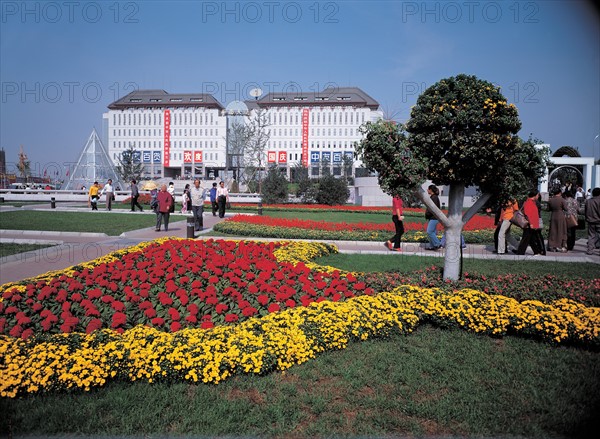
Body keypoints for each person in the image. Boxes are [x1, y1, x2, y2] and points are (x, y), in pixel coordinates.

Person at [513, 190, 544, 256]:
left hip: (531, 224)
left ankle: (534, 252)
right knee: (526, 239)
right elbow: (528, 215)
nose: (538, 196)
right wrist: (531, 223)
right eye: (538, 195)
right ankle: (522, 252)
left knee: (530, 239)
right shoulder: (529, 202)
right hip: (529, 224)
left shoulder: (531, 202)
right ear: (535, 195)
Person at [547, 187, 568, 252]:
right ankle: (560, 245)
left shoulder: (550, 200)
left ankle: (551, 245)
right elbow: (566, 208)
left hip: (553, 215)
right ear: (560, 192)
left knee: (553, 230)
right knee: (561, 230)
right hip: (560, 215)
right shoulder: (562, 200)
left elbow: (548, 209)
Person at [582, 187, 600, 255]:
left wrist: (587, 218)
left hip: (591, 221)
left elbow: (585, 211)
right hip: (598, 220)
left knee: (591, 236)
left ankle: (590, 250)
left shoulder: (588, 201)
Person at [425, 184, 442, 250]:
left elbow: (432, 208)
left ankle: (437, 244)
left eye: (428, 189)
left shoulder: (434, 197)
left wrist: (427, 214)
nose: (427, 190)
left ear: (431, 190)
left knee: (429, 231)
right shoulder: (433, 197)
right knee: (433, 232)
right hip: (433, 217)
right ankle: (432, 246)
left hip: (434, 217)